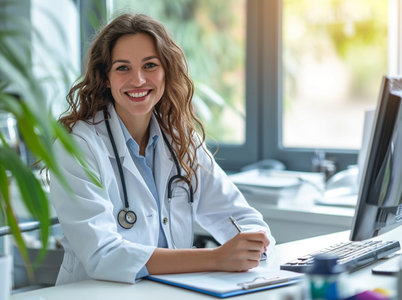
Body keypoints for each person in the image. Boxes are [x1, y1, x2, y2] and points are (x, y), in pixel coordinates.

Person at [50, 13, 275, 285]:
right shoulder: (78, 146)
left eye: (150, 65)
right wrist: (216, 258)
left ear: (166, 72)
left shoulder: (180, 139)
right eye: (123, 68)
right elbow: (103, 255)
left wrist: (252, 243)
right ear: (106, 78)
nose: (139, 80)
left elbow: (241, 217)